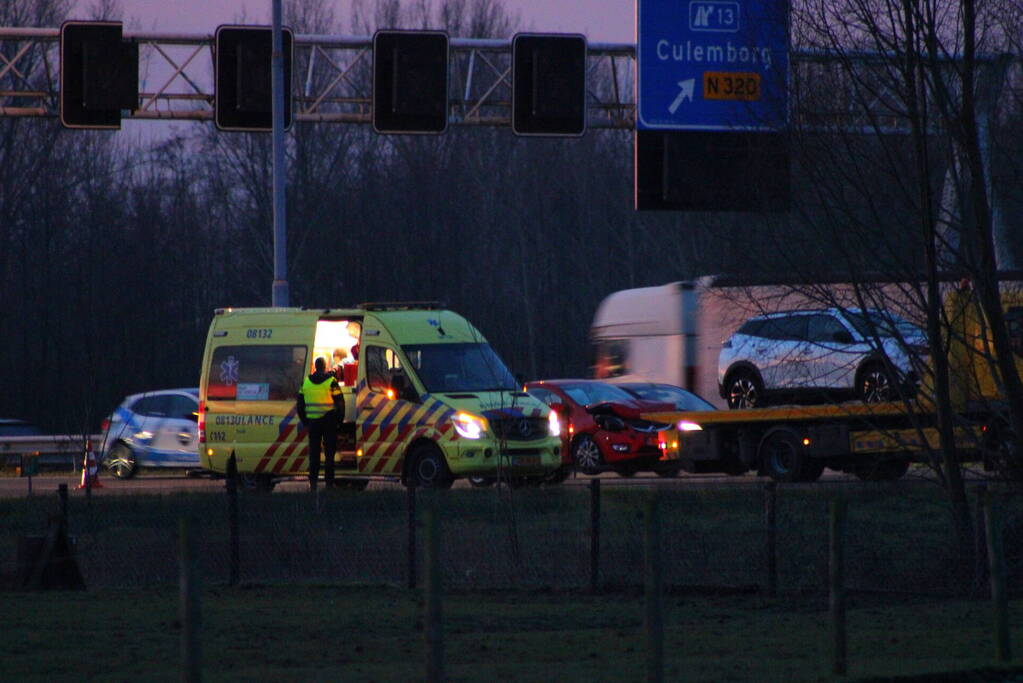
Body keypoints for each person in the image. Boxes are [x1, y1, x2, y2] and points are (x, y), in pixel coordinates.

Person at [297, 356, 343, 490]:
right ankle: (329, 483)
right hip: (329, 422)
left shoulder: (305, 383)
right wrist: (338, 421)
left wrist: (306, 422)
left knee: (314, 454)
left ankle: (313, 484)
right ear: (325, 367)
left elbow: (300, 405)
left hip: (313, 423)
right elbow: (340, 403)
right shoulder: (331, 381)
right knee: (329, 454)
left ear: (315, 367)